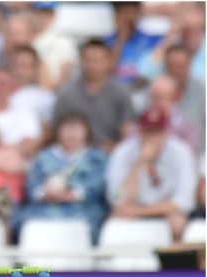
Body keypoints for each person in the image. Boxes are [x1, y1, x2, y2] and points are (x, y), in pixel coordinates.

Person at [106, 107, 197, 242]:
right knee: (114, 222)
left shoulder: (181, 152)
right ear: (139, 131)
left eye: (156, 132)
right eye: (147, 131)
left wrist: (139, 212)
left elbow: (184, 202)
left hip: (164, 212)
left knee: (177, 222)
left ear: (165, 132)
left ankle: (173, 262)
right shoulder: (123, 152)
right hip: (132, 211)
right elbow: (118, 199)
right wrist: (139, 163)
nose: (151, 137)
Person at [16, 113, 108, 243]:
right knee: (23, 220)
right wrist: (44, 193)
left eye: (76, 128)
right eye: (67, 128)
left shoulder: (96, 157)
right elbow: (32, 184)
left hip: (82, 209)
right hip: (45, 207)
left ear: (86, 132)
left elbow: (98, 184)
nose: (71, 133)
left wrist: (72, 194)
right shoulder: (44, 156)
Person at [52, 39, 136, 153]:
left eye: (97, 61)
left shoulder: (121, 93)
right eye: (88, 60)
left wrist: (115, 147)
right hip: (73, 155)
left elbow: (128, 129)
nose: (91, 66)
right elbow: (55, 129)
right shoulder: (66, 93)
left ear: (109, 61)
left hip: (109, 154)